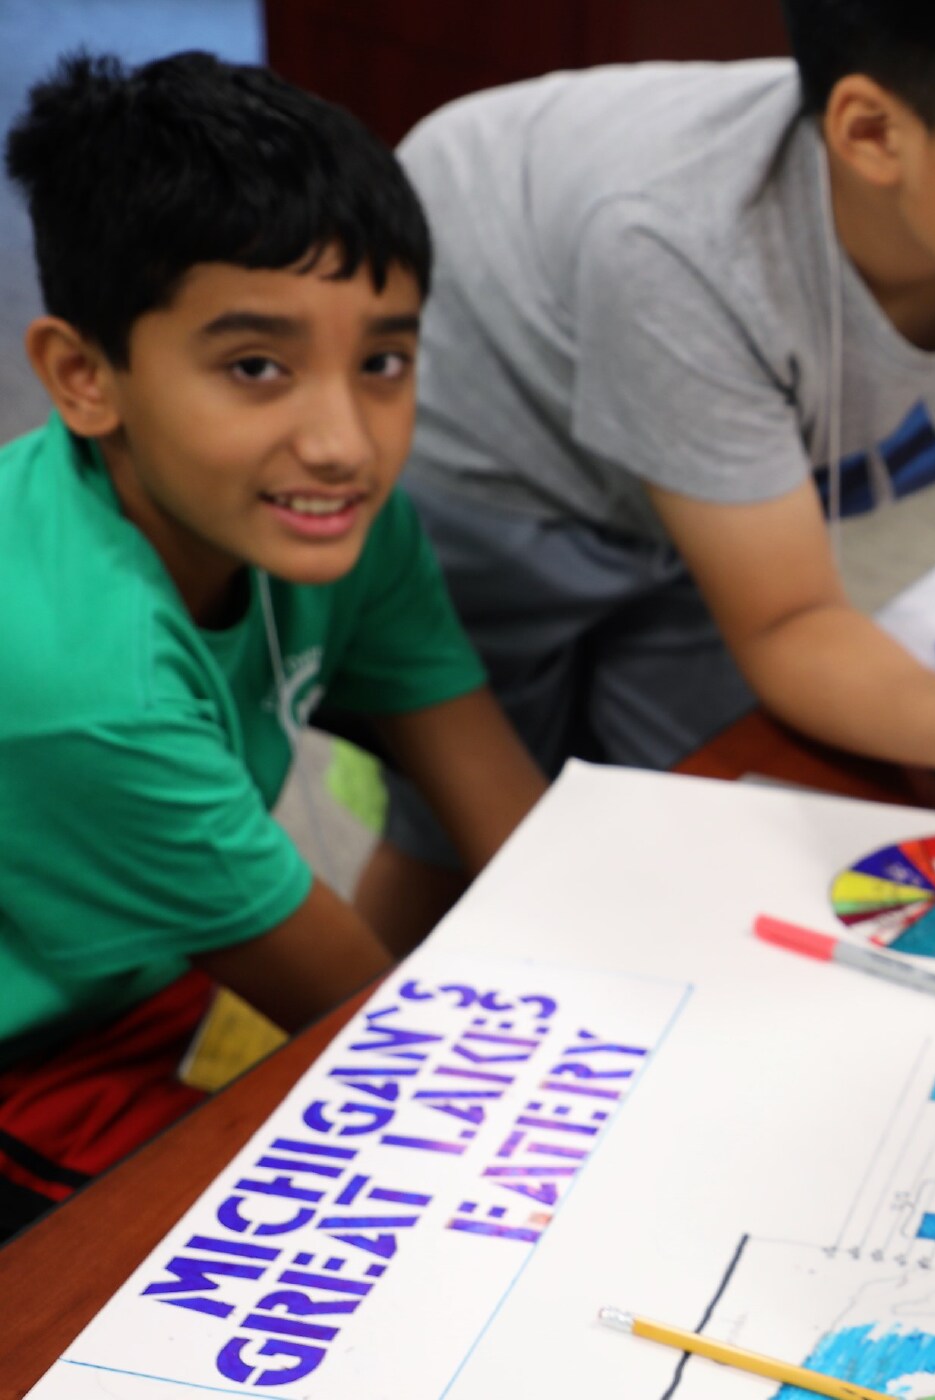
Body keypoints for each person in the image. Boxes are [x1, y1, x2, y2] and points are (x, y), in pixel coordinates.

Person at [368, 0, 935, 942]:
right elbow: (785, 622)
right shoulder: (680, 240)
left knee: (730, 805)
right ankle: (304, 1048)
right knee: (475, 837)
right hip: (488, 452)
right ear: (874, 133)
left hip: (706, 477)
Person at [0, 51, 546, 1239]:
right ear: (83, 376)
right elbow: (356, 1017)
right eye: (257, 367)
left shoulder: (339, 518)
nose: (345, 441)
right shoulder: (81, 683)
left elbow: (511, 822)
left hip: (142, 978)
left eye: (383, 362)